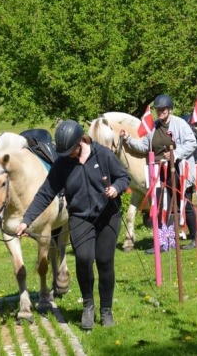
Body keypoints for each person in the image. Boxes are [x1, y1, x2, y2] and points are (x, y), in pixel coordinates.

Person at [15, 120, 130, 330]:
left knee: (104, 261)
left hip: (108, 215)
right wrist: (26, 220)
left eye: (70, 150)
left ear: (80, 142)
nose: (67, 154)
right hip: (80, 217)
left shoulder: (103, 154)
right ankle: (88, 305)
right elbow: (45, 193)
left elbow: (124, 177)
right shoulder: (62, 164)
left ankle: (106, 310)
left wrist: (115, 188)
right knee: (84, 259)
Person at [119, 94, 197, 252]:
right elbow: (144, 146)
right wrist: (127, 138)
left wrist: (175, 154)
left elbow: (191, 143)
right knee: (164, 207)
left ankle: (196, 238)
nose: (161, 112)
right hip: (159, 173)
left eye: (163, 109)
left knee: (185, 204)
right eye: (158, 110)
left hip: (179, 170)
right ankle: (166, 242)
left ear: (170, 109)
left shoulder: (179, 124)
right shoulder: (155, 127)